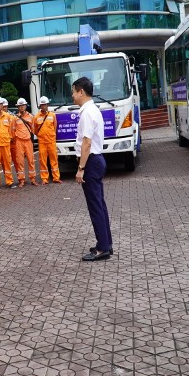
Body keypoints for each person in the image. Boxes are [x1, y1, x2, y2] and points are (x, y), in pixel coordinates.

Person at [72, 77, 113, 262]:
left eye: (73, 92)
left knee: (96, 207)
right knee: (100, 205)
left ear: (81, 92)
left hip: (91, 162)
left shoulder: (87, 113)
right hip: (97, 160)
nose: (72, 96)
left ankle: (102, 249)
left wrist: (81, 168)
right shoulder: (93, 110)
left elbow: (86, 142)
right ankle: (106, 243)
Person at [0, 96, 16, 190]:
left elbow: (10, 130)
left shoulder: (8, 116)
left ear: (2, 105)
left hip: (5, 144)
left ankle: (10, 182)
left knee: (7, 163)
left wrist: (9, 138)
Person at [34, 96, 61, 184]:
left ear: (47, 105)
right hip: (42, 142)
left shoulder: (52, 115)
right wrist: (40, 136)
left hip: (51, 141)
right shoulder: (36, 117)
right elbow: (35, 130)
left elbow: (55, 127)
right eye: (42, 105)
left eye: (45, 105)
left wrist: (51, 135)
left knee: (54, 160)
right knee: (43, 161)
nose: (44, 106)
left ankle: (56, 178)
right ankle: (45, 179)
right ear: (40, 106)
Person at [12, 97, 37, 187]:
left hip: (28, 141)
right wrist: (16, 140)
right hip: (19, 141)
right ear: (18, 107)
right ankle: (21, 180)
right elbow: (12, 131)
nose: (22, 107)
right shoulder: (15, 118)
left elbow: (33, 129)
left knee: (31, 160)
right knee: (20, 161)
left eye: (23, 105)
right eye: (20, 106)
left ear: (26, 106)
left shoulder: (31, 117)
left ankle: (33, 179)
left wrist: (31, 138)